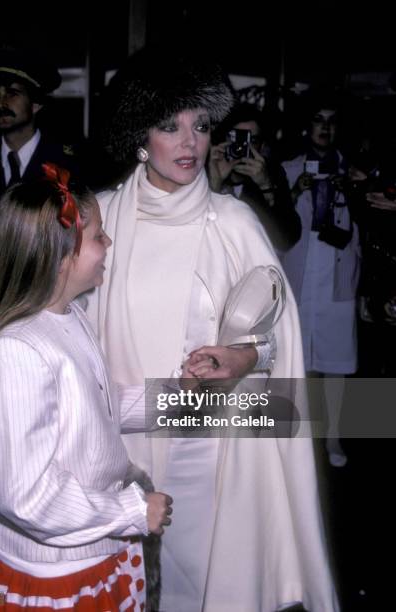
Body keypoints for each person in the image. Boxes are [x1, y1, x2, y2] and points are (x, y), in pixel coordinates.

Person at [86, 48, 339, 611]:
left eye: (200, 126)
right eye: (169, 126)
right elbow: (59, 310)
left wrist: (245, 359)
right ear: (139, 136)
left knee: (202, 584)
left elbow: (279, 336)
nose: (189, 142)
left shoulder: (234, 222)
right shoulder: (98, 218)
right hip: (119, 445)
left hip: (209, 444)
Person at [0, 164, 172, 611]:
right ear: (59, 256)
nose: (109, 244)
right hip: (52, 577)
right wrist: (131, 512)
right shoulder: (16, 351)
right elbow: (27, 496)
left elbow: (100, 408)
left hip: (91, 555)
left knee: (295, 409)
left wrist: (192, 400)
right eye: (98, 236)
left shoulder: (69, 316)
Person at [0, 46, 81, 307]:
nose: (1, 103)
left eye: (12, 93)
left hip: (47, 300)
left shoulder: (67, 164)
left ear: (35, 105)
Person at [281, 94, 360, 468]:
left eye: (331, 120)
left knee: (336, 361)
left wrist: (354, 192)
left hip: (336, 273)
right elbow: (275, 223)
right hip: (300, 271)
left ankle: (333, 438)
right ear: (305, 126)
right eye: (317, 119)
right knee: (298, 360)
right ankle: (300, 440)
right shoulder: (286, 169)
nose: (325, 127)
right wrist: (295, 192)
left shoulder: (355, 171)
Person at [208, 103, 301, 251]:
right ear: (224, 138)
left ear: (262, 147)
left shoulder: (272, 176)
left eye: (251, 141)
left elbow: (286, 241)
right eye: (237, 138)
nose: (242, 148)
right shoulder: (202, 172)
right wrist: (213, 186)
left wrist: (266, 188)